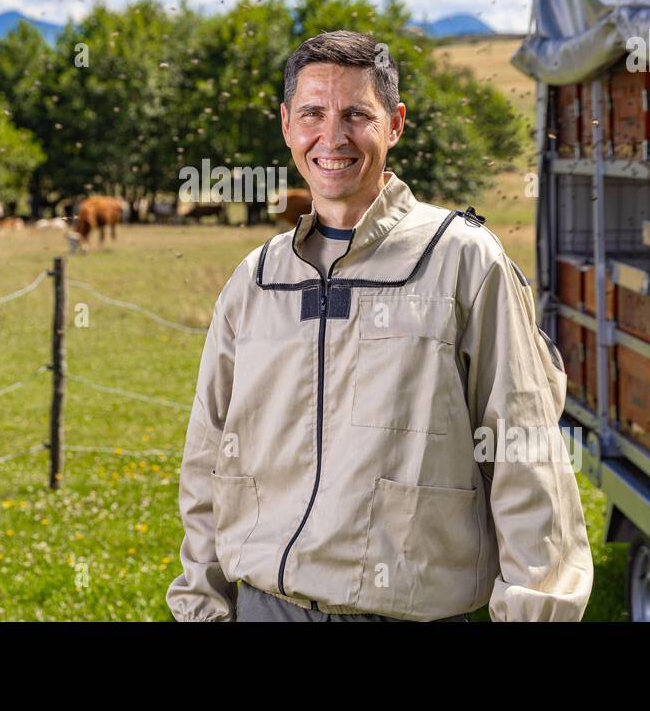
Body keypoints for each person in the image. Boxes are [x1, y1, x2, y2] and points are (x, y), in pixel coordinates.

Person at [165, 30, 594, 622]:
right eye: (313, 113)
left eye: (356, 115)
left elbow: (525, 455)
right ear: (288, 124)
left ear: (394, 124)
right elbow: (209, 454)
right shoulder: (256, 279)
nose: (331, 137)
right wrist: (202, 605)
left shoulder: (464, 260)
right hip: (265, 608)